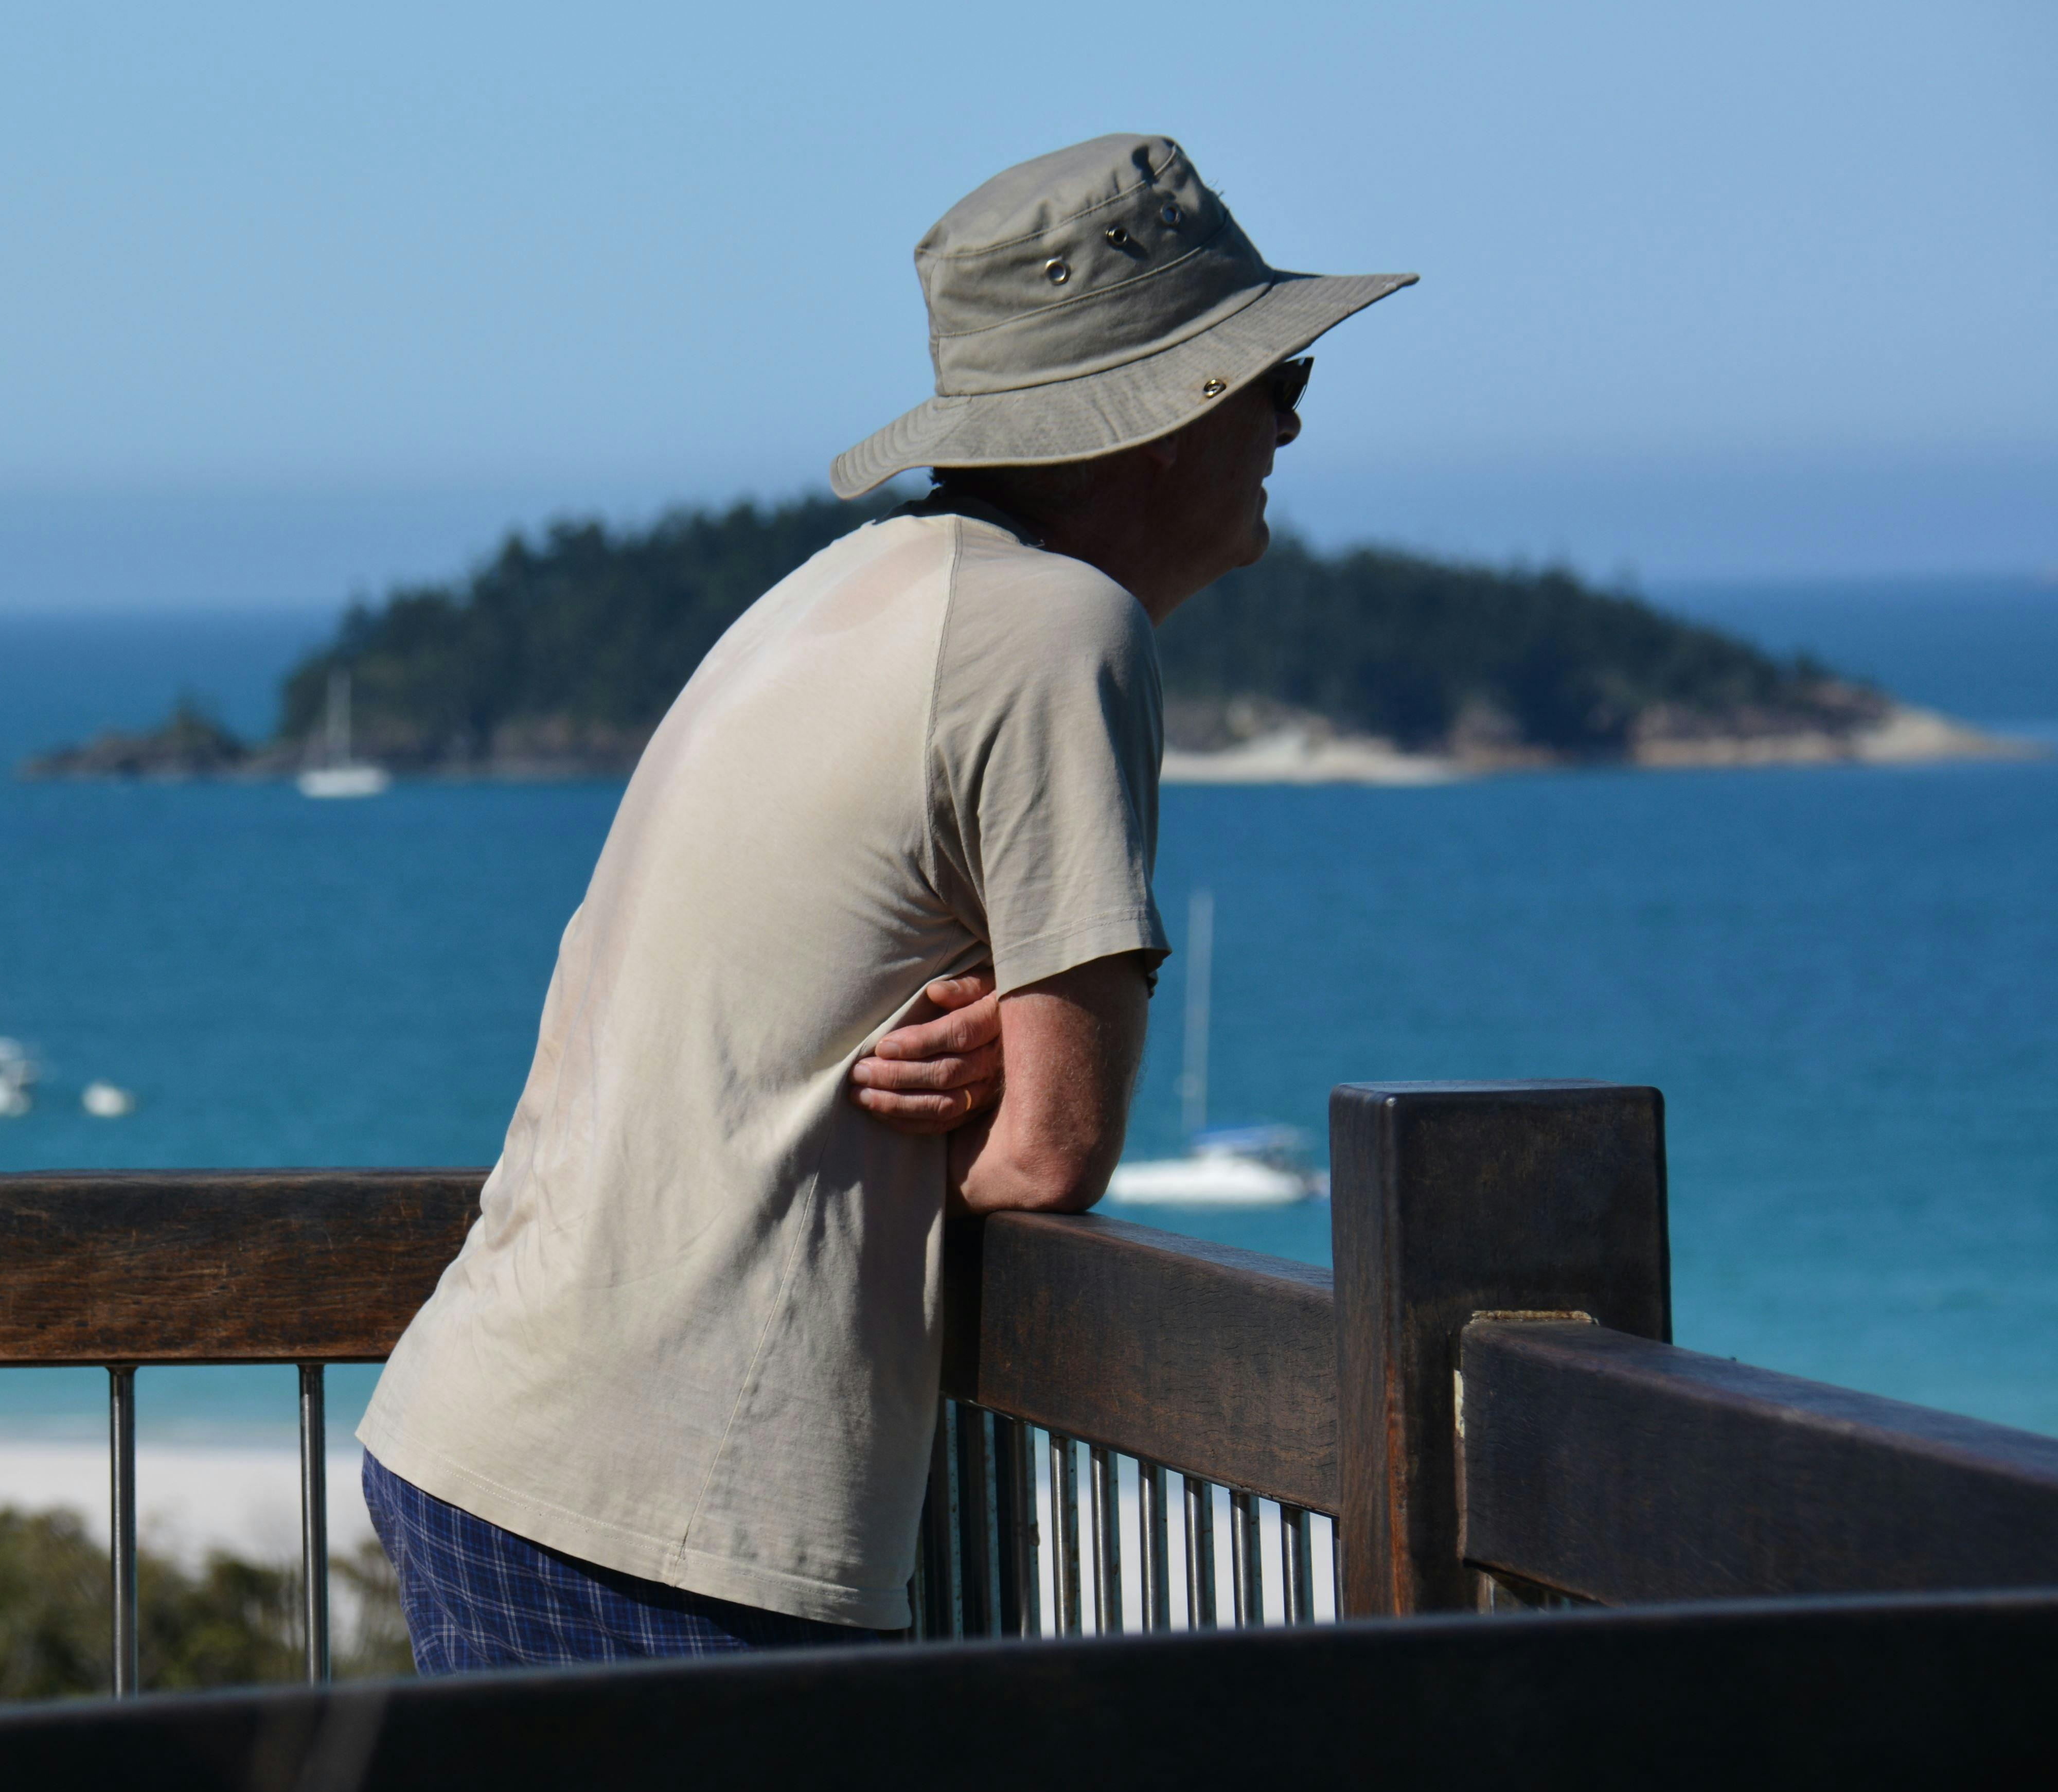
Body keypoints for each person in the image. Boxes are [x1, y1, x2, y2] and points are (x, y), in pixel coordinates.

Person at [356, 134, 1414, 1667]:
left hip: (515, 1433)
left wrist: (985, 1051)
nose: (1296, 418)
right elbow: (1050, 1159)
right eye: (1274, 374)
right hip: (660, 1510)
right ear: (1170, 412)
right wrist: (1018, 1075)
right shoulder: (1062, 634)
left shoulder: (843, 592)